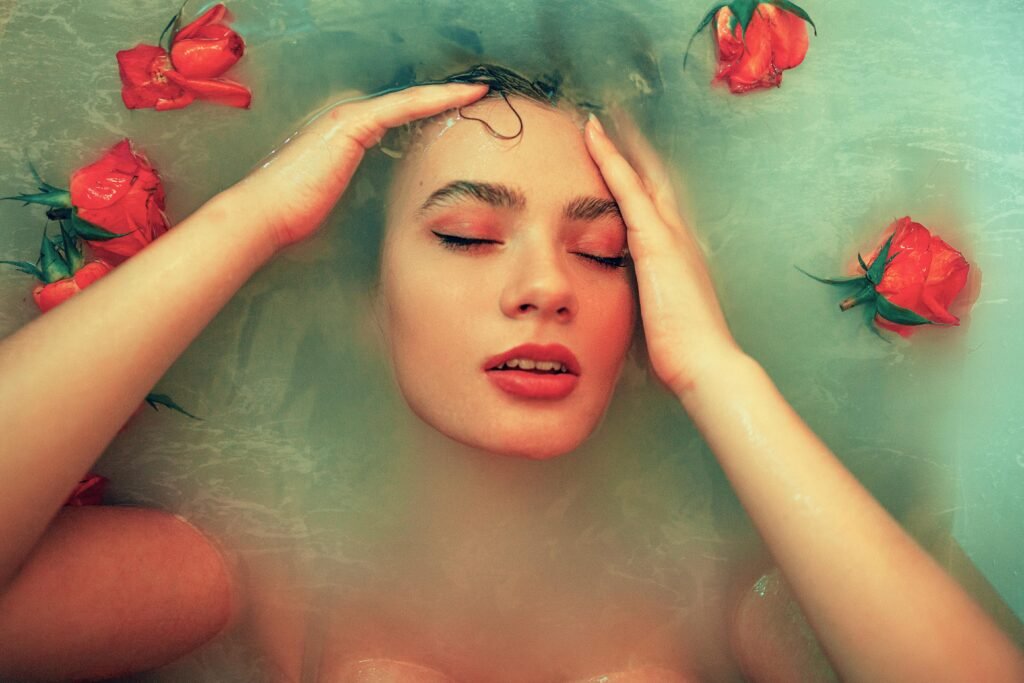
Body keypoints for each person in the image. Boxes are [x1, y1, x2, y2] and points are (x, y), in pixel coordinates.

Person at [0, 67, 1021, 681]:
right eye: (466, 233)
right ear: (365, 304)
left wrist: (713, 366)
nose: (545, 286)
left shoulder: (741, 580)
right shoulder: (258, 563)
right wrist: (250, 218)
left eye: (607, 251)